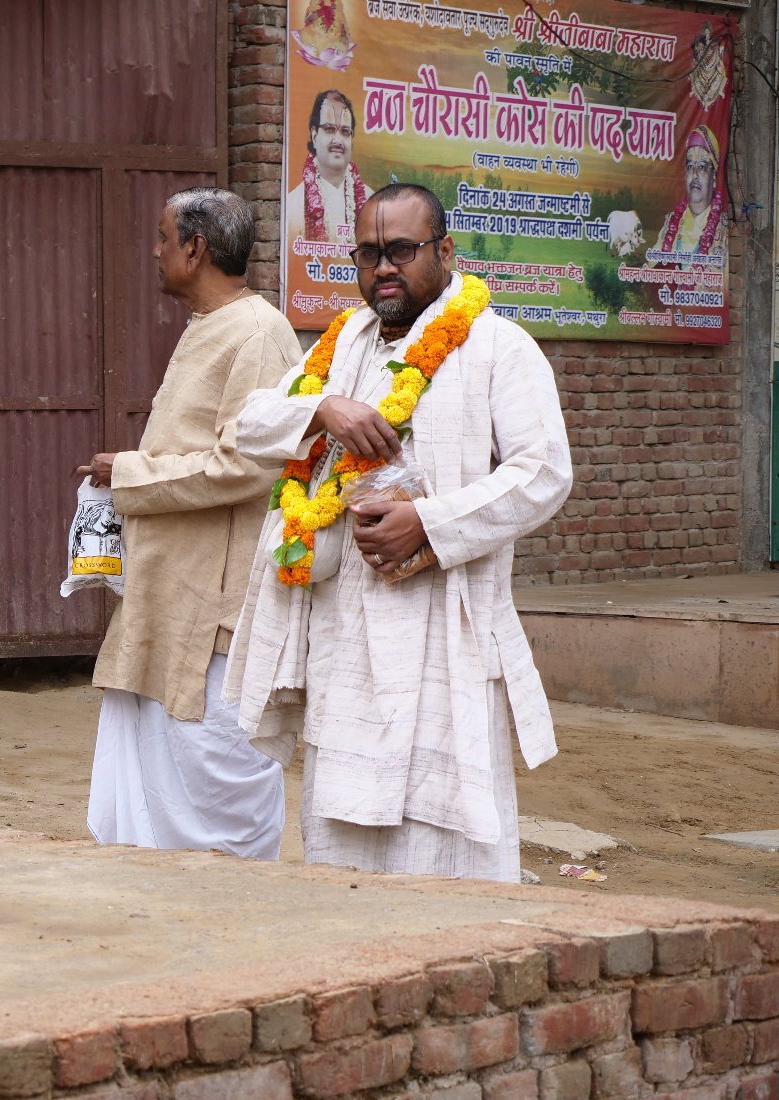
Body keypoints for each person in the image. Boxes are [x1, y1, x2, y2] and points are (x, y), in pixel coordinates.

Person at [225, 183, 573, 882]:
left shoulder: (499, 347)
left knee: (448, 840)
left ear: (444, 252)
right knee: (340, 839)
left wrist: (430, 523)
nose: (384, 268)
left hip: (443, 629)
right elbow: (247, 425)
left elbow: (545, 474)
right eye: (369, 254)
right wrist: (326, 408)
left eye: (402, 252)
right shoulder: (341, 345)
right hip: (344, 635)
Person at [76, 188, 302, 858]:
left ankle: (230, 903)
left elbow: (248, 466)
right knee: (164, 756)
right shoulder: (212, 324)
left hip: (218, 600)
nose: (155, 250)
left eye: (162, 237)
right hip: (174, 583)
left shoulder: (259, 333)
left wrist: (133, 475)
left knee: (216, 759)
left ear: (196, 250)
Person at [284, 90, 367, 247]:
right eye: (329, 129)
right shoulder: (294, 206)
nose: (338, 140)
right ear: (314, 135)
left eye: (345, 131)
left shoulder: (371, 202)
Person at [646, 124, 728, 263]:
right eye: (690, 167)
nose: (694, 175)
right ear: (685, 175)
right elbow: (652, 268)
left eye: (702, 167)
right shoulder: (670, 223)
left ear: (713, 177)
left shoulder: (723, 228)